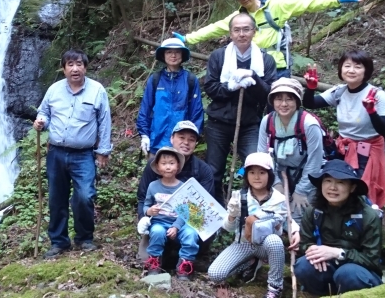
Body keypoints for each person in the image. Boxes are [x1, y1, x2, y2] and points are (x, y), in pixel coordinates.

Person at [175, 0, 368, 78]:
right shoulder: (239, 18)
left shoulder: (276, 6)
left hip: (278, 67)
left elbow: (306, 3)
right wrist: (188, 39)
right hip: (252, 67)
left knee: (279, 108)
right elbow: (215, 28)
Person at [33, 49, 112, 258]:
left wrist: (103, 151)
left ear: (85, 67)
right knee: (56, 198)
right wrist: (41, 121)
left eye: (79, 64)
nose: (75, 69)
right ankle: (59, 242)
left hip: (83, 154)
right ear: (64, 68)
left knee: (84, 196)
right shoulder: (54, 90)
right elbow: (44, 112)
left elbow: (104, 121)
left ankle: (84, 238)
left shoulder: (97, 90)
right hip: (56, 152)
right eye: (70, 64)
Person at [302, 50, 385, 208]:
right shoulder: (339, 91)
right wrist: (310, 88)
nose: (351, 70)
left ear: (366, 71)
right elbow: (310, 104)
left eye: (358, 67)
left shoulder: (376, 95)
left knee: (361, 190)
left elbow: (384, 129)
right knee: (337, 185)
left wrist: (371, 111)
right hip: (344, 148)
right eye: (347, 66)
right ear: (341, 69)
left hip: (368, 150)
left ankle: (366, 219)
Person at [204, 12, 277, 205]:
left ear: (254, 31)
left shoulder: (266, 60)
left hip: (250, 124)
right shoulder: (219, 56)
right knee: (213, 170)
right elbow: (210, 87)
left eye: (246, 29)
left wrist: (254, 78)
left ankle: (248, 209)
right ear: (230, 33)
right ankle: (216, 211)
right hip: (218, 122)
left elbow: (269, 95)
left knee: (256, 166)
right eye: (237, 30)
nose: (241, 34)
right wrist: (229, 87)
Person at [208, 153, 299, 298]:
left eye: (262, 172)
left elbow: (288, 220)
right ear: (246, 175)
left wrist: (295, 232)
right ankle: (250, 263)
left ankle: (275, 287)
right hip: (243, 243)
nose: (257, 177)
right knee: (215, 274)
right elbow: (229, 228)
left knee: (275, 241)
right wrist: (232, 215)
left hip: (266, 245)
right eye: (252, 172)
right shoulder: (239, 196)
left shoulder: (279, 199)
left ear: (269, 175)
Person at [294, 160, 383, 295]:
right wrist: (313, 251)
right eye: (328, 181)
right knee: (303, 266)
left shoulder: (367, 216)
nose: (333, 187)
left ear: (352, 188)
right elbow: (305, 243)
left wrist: (338, 253)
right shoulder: (314, 211)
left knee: (347, 273)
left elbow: (372, 259)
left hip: (359, 273)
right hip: (328, 267)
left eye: (340, 182)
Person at [257, 77, 324, 224]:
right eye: (278, 99)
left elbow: (315, 161)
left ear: (297, 101)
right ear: (272, 101)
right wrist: (276, 183)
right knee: (272, 215)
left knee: (298, 217)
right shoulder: (267, 121)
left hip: (308, 178)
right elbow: (263, 158)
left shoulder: (308, 124)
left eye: (289, 99)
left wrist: (301, 191)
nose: (283, 104)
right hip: (279, 175)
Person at [140, 147, 201, 281]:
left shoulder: (183, 187)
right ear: (158, 166)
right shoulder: (153, 186)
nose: (168, 167)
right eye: (164, 163)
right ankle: (154, 262)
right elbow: (146, 204)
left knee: (191, 234)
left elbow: (185, 212)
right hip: (159, 222)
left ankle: (184, 265)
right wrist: (149, 211)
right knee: (156, 232)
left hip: (180, 224)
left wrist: (176, 227)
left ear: (178, 166)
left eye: (172, 163)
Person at [137, 38, 204, 158]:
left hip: (181, 145)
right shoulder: (155, 79)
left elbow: (196, 112)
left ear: (182, 55)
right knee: (155, 169)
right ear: (163, 55)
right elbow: (145, 109)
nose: (173, 55)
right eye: (169, 52)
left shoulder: (190, 80)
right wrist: (144, 135)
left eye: (177, 52)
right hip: (156, 142)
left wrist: (192, 138)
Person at [136, 121, 214, 219]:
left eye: (191, 139)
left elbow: (206, 205)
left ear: (195, 143)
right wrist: (143, 219)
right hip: (157, 219)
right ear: (172, 138)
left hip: (189, 220)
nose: (186, 142)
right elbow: (142, 198)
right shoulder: (155, 164)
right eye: (181, 137)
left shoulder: (203, 170)